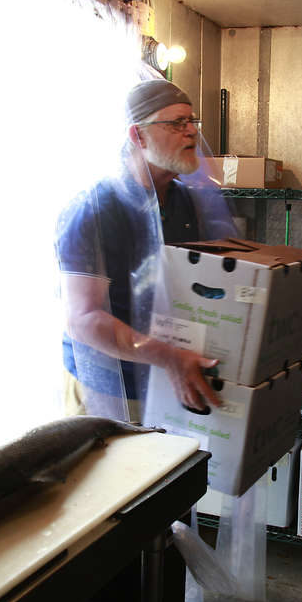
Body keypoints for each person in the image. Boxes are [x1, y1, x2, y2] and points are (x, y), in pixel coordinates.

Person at [56, 79, 236, 422]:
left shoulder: (185, 202)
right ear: (138, 136)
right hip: (106, 386)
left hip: (167, 378)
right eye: (176, 123)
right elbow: (82, 319)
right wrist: (169, 356)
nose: (191, 133)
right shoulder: (94, 210)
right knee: (113, 476)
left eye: (192, 122)